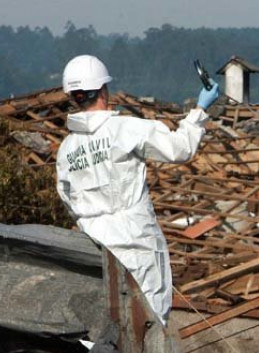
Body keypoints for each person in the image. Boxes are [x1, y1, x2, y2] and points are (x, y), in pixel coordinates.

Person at [55, 55, 219, 324]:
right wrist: (200, 110)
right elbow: (181, 148)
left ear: (74, 97)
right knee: (148, 323)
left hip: (94, 248)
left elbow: (67, 199)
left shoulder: (67, 149)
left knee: (105, 324)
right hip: (136, 242)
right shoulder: (127, 128)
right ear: (104, 90)